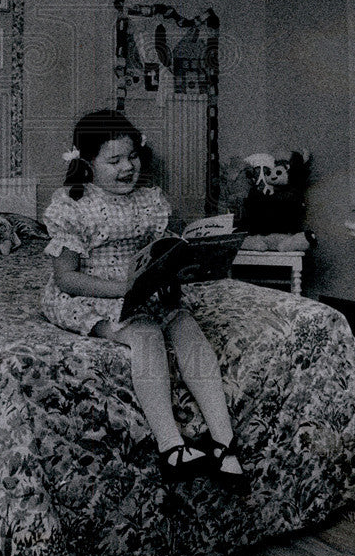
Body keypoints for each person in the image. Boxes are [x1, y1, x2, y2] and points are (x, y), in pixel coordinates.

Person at [41, 109, 246, 484]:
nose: (127, 167)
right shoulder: (72, 205)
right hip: (93, 293)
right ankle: (171, 446)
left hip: (141, 288)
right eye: (114, 160)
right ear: (86, 164)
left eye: (132, 156)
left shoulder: (149, 200)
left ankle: (223, 440)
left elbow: (158, 252)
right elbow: (67, 279)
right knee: (146, 333)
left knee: (185, 324)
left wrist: (175, 271)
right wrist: (123, 289)